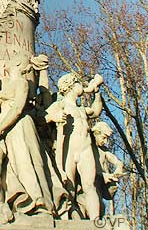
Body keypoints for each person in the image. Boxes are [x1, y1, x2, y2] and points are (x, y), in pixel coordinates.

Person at [0, 53, 54, 215]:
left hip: (19, 124)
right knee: (17, 160)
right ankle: (24, 200)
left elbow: (18, 108)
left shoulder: (22, 83)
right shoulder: (8, 83)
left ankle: (38, 201)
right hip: (10, 127)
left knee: (27, 159)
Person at [45, 73, 103, 220]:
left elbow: (96, 111)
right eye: (78, 83)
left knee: (90, 185)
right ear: (71, 86)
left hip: (85, 150)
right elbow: (45, 116)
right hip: (69, 151)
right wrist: (55, 116)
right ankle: (67, 218)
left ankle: (95, 220)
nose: (81, 86)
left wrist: (97, 94)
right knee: (69, 186)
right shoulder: (61, 104)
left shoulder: (82, 109)